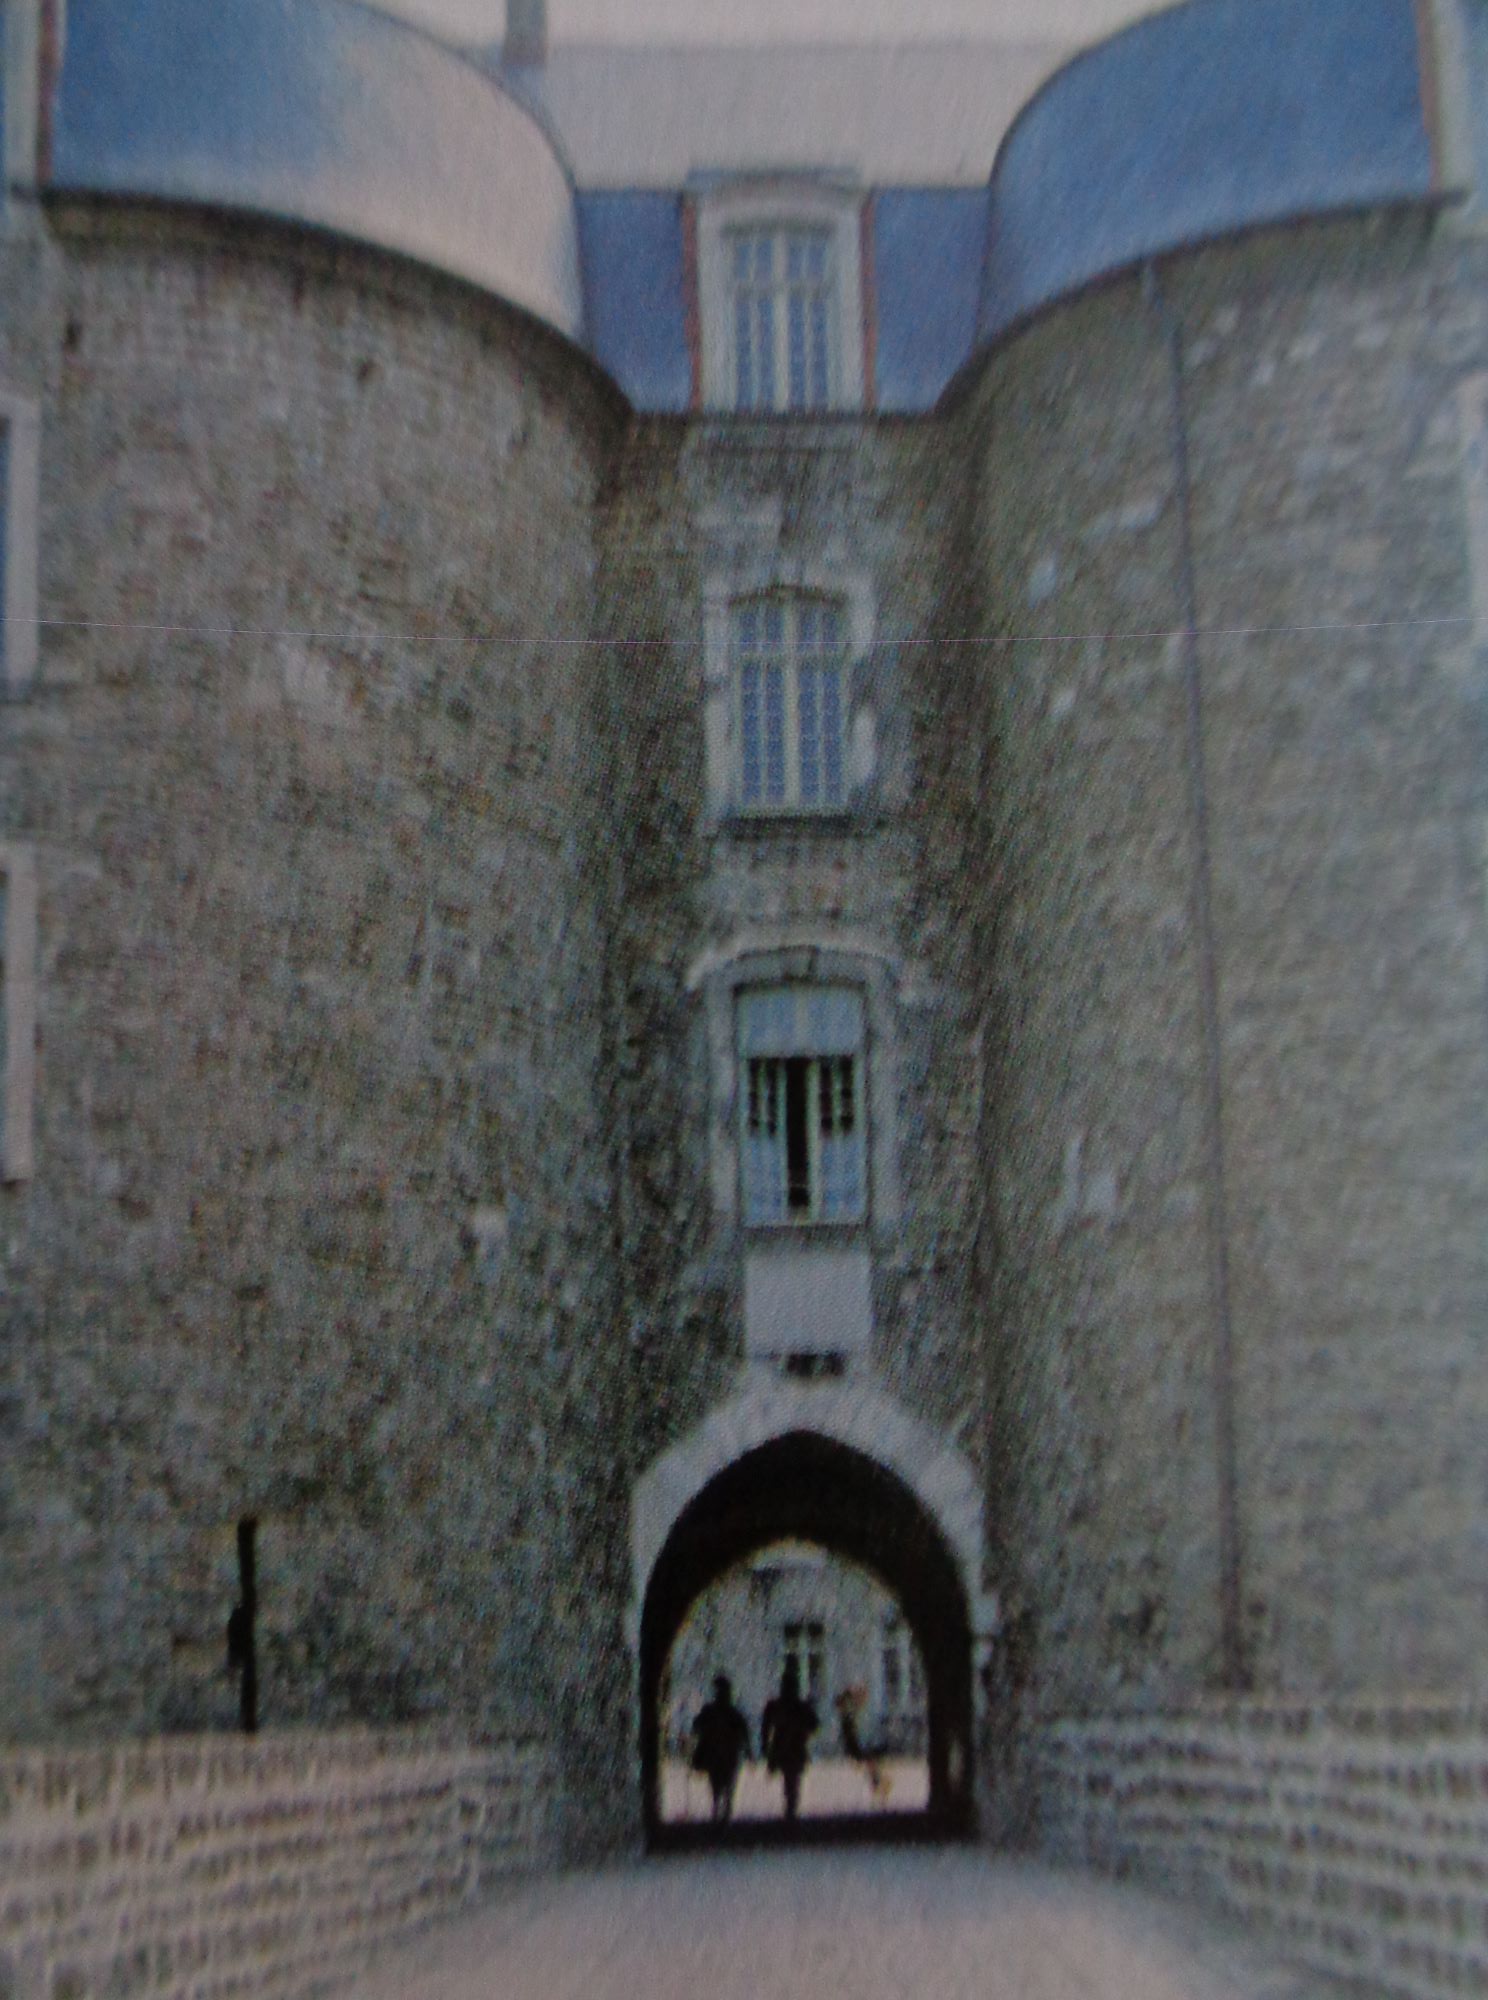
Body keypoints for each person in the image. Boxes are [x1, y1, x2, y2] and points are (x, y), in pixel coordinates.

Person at [760, 1661, 818, 1822]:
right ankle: (791, 1808)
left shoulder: (778, 1706)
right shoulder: (798, 1706)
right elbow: (814, 1725)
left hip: (785, 1749)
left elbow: (765, 1728)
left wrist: (766, 1747)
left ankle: (790, 1808)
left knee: (791, 1780)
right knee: (792, 1781)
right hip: (794, 1749)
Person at [691, 1673, 752, 1823]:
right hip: (723, 1754)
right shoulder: (728, 1712)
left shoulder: (722, 1712)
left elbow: (697, 1727)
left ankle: (721, 1811)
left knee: (721, 1784)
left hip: (721, 1754)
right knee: (722, 1784)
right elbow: (697, 1727)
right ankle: (722, 1811)